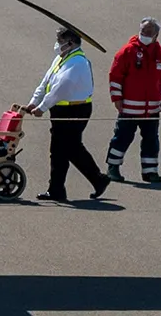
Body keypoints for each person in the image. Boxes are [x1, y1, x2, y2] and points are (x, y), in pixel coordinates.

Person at [25, 27, 107, 201]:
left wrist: (42, 107)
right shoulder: (60, 58)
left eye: (60, 41)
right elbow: (46, 81)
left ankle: (97, 179)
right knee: (59, 150)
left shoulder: (77, 62)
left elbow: (61, 88)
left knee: (70, 147)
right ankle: (57, 189)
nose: (57, 45)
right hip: (60, 109)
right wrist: (34, 101)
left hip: (75, 109)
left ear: (70, 43)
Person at [106, 17, 161, 184]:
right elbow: (115, 76)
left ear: (156, 34)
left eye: (149, 32)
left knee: (151, 140)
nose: (145, 35)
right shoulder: (127, 51)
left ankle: (150, 172)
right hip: (130, 108)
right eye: (143, 31)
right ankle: (113, 167)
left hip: (152, 109)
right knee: (122, 138)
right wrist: (117, 98)